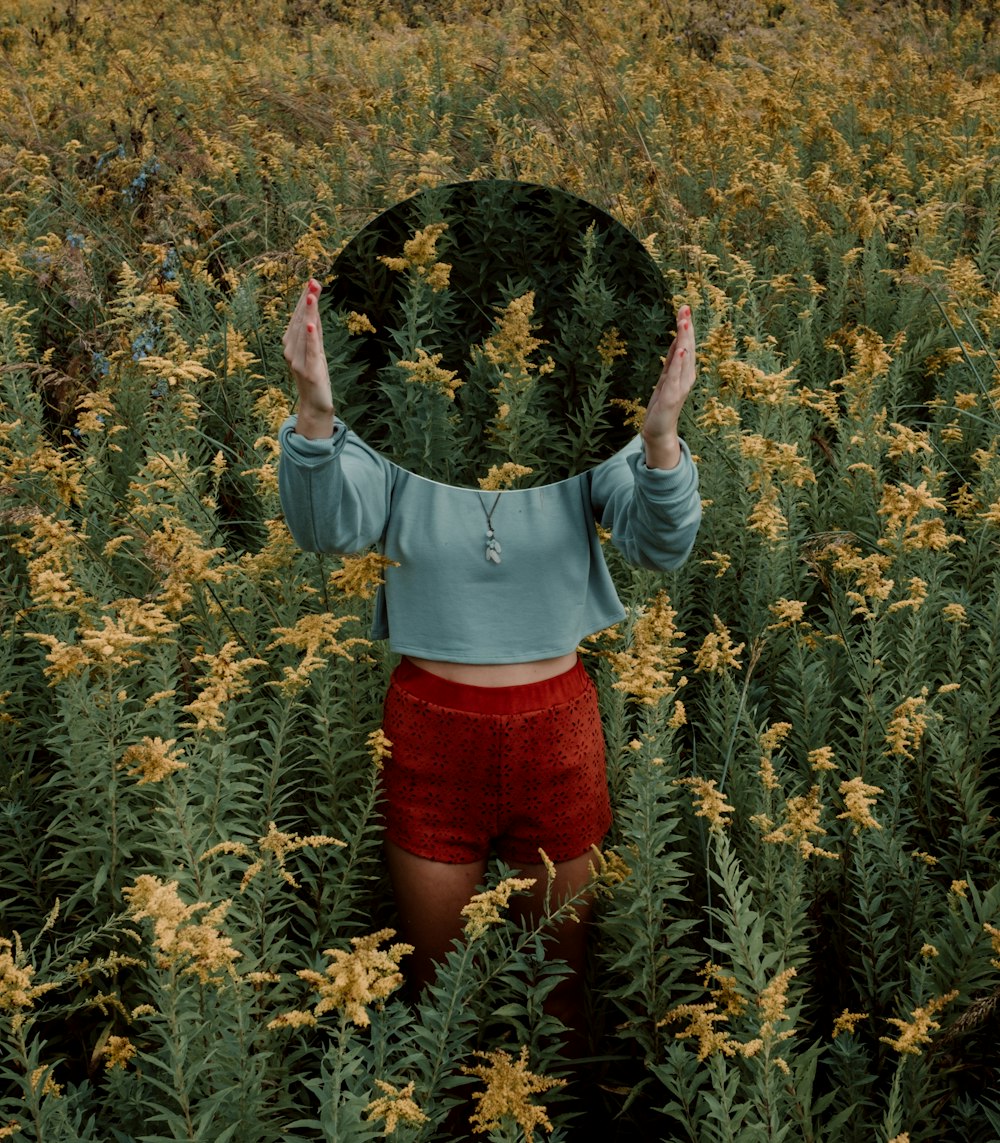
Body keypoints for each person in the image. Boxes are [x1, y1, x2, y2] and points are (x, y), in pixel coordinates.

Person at [278, 276, 701, 1049]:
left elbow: (662, 544)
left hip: (558, 732)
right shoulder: (396, 440)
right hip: (431, 735)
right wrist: (314, 412)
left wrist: (662, 437)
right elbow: (327, 529)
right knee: (442, 1006)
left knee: (562, 1001)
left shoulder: (583, 450)